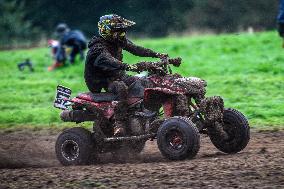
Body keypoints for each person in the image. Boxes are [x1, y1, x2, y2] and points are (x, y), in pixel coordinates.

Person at [85, 14, 167, 136]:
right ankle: (119, 123)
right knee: (120, 87)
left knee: (145, 82)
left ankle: (147, 115)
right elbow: (108, 60)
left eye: (123, 32)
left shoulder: (117, 41)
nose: (122, 35)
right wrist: (128, 66)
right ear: (107, 30)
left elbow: (136, 49)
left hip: (117, 74)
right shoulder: (97, 47)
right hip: (102, 81)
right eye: (119, 32)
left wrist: (157, 54)